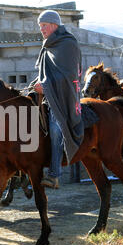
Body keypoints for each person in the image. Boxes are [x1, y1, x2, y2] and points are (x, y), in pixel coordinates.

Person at [31, 10, 84, 189]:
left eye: (44, 25)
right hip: (48, 94)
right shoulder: (48, 45)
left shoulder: (68, 44)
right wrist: (37, 84)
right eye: (40, 26)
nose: (42, 30)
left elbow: (69, 75)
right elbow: (46, 72)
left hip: (63, 97)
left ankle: (54, 174)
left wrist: (45, 86)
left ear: (54, 24)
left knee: (55, 128)